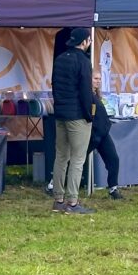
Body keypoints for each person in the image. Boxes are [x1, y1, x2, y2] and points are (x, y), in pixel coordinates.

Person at [51, 27, 94, 214]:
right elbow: (85, 91)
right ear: (84, 42)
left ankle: (58, 200)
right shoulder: (83, 61)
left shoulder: (60, 59)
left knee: (61, 156)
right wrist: (89, 114)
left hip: (60, 113)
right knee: (77, 158)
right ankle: (73, 202)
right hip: (77, 115)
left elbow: (54, 85)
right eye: (89, 40)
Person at [89, 68, 124, 200]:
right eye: (95, 78)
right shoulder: (86, 95)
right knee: (75, 160)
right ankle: (54, 184)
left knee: (113, 159)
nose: (98, 81)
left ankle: (113, 188)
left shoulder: (97, 95)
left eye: (99, 79)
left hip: (103, 133)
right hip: (91, 134)